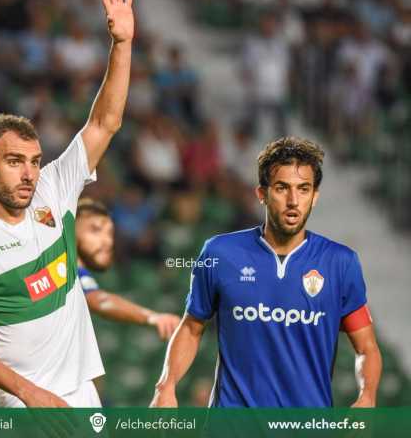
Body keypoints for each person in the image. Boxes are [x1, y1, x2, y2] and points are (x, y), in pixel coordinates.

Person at [0, 0, 135, 408]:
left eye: (33, 161)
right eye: (14, 162)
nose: (29, 173)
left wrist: (121, 46)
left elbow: (105, 123)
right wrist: (30, 394)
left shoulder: (53, 188)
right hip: (19, 401)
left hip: (81, 393)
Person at [151, 137, 382, 407]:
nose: (294, 200)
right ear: (262, 194)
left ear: (315, 196)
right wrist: (166, 385)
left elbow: (366, 348)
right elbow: (191, 328)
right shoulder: (219, 253)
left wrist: (367, 396)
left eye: (304, 189)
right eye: (282, 188)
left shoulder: (341, 263)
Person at [75, 198, 180, 340]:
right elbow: (99, 301)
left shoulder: (77, 272)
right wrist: (152, 317)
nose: (107, 241)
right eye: (95, 230)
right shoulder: (60, 265)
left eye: (109, 232)